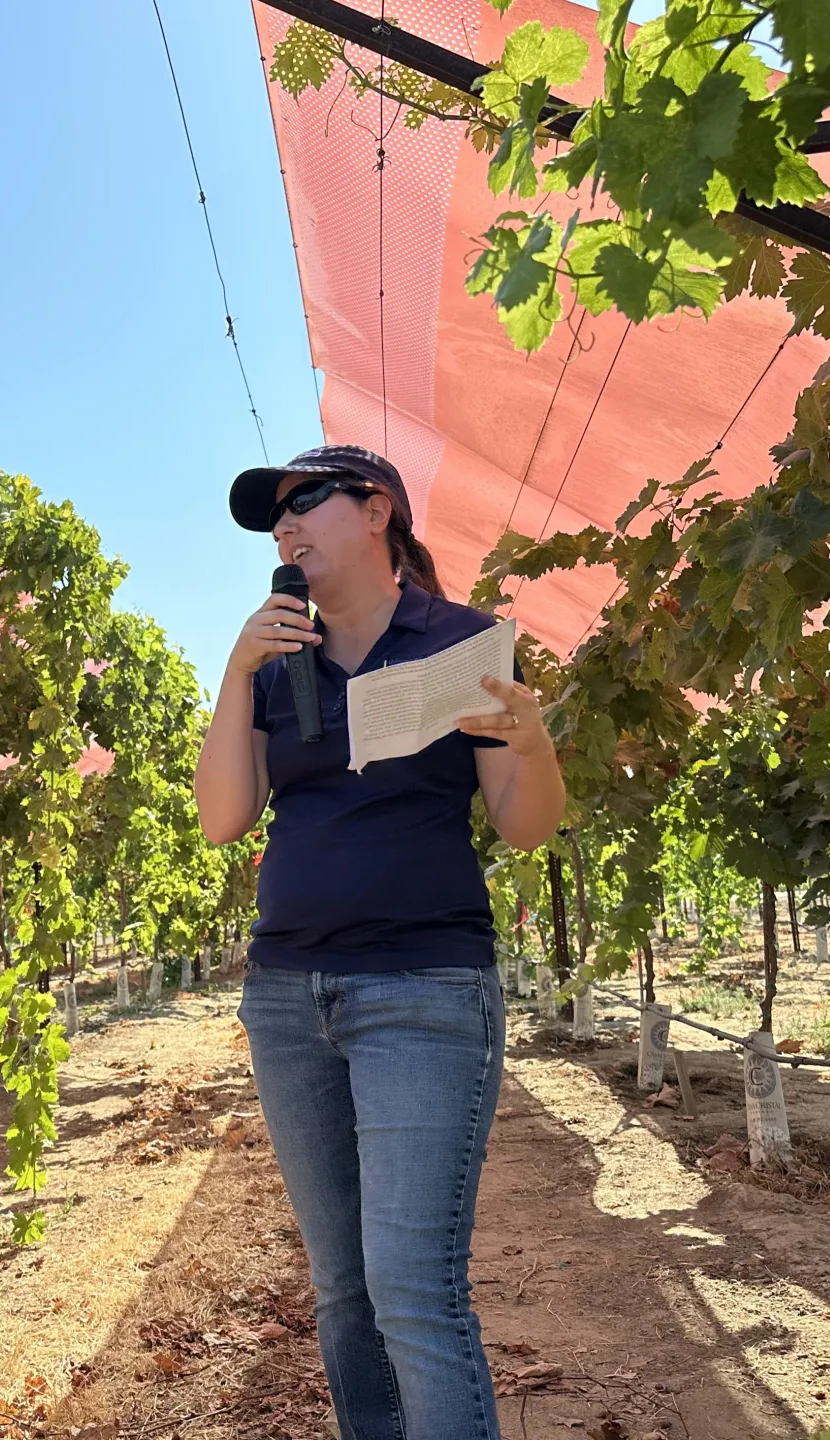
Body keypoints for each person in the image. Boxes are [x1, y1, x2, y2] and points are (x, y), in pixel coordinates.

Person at [194, 445, 565, 1440]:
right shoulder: (276, 663)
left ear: (375, 511)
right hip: (286, 999)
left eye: (303, 503)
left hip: (424, 990)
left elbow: (525, 825)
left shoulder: (463, 642)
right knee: (344, 1290)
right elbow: (224, 816)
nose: (285, 529)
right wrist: (236, 670)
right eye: (274, 521)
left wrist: (530, 746)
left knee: (411, 1286)